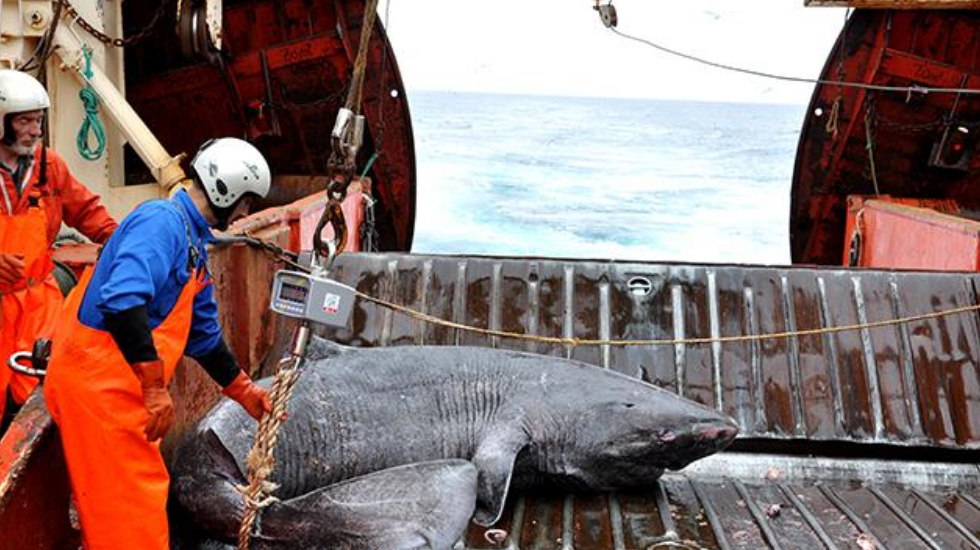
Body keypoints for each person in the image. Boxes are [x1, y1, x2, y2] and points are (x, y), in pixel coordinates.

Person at [42, 137, 274, 550]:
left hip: (119, 391)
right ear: (229, 191)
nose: (245, 214)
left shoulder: (193, 246)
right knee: (132, 525)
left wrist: (244, 391)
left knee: (133, 511)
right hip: (98, 391)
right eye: (246, 202)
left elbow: (203, 337)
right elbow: (121, 299)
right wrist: (153, 387)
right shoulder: (161, 223)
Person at [0, 70, 117, 435]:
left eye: (38, 121)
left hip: (40, 302)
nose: (36, 131)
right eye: (25, 121)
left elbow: (91, 215)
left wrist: (128, 246)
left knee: (45, 391)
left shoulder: (50, 167)